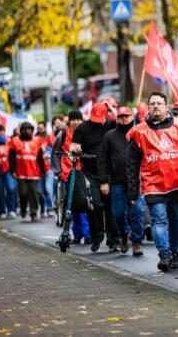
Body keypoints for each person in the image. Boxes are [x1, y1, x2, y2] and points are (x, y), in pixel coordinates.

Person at [127, 92, 178, 272]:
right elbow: (132, 165)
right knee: (158, 220)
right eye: (152, 103)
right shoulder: (139, 133)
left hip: (177, 182)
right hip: (153, 185)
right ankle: (165, 255)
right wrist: (132, 190)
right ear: (148, 107)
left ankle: (175, 252)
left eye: (159, 103)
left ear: (166, 106)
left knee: (175, 220)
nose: (155, 106)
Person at [70, 102, 117, 252]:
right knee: (95, 205)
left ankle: (113, 241)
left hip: (110, 172)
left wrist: (112, 109)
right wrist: (76, 148)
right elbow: (73, 145)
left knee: (110, 208)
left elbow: (126, 123)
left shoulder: (110, 124)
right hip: (90, 173)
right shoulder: (82, 128)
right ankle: (96, 237)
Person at [99, 106, 144, 256]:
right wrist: (104, 181)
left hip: (136, 181)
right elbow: (102, 159)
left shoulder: (139, 133)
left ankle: (136, 241)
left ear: (132, 117)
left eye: (127, 116)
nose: (124, 119)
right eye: (121, 116)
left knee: (137, 212)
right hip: (117, 182)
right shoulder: (109, 136)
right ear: (116, 118)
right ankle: (124, 235)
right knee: (117, 213)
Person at [52, 110, 90, 244]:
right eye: (73, 119)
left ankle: (87, 233)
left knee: (84, 202)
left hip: (83, 173)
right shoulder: (62, 134)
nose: (76, 122)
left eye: (78, 119)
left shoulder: (86, 132)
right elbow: (55, 153)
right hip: (68, 174)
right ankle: (77, 233)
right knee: (71, 205)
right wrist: (57, 171)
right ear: (69, 121)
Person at [9, 122, 47, 222]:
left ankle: (33, 213)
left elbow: (39, 157)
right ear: (22, 131)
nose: (29, 131)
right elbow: (11, 157)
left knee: (34, 193)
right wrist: (12, 170)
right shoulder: (15, 141)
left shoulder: (36, 141)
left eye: (30, 129)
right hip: (21, 172)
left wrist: (43, 170)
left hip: (34, 172)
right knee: (23, 193)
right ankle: (23, 207)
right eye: (27, 129)